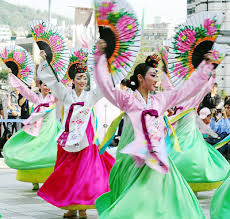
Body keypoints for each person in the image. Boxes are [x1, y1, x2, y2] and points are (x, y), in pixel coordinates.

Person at [93, 40, 216, 219]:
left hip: (156, 157)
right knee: (134, 199)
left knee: (163, 197)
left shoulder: (160, 100)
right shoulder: (128, 99)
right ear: (141, 78)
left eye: (157, 75)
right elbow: (106, 86)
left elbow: (186, 90)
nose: (157, 79)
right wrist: (101, 56)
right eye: (152, 75)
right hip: (133, 159)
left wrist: (206, 67)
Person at [37, 50, 115, 219]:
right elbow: (53, 81)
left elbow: (105, 87)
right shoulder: (66, 94)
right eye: (79, 78)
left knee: (85, 172)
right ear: (73, 79)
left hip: (87, 138)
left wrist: (106, 65)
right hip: (69, 137)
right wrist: (44, 60)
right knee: (68, 171)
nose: (82, 81)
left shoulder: (91, 96)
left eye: (84, 78)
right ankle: (71, 207)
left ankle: (82, 208)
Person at [3, 68, 60, 191]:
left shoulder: (53, 98)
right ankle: (34, 180)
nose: (47, 87)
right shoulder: (36, 98)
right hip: (38, 131)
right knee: (35, 153)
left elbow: (63, 88)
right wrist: (12, 75)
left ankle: (49, 180)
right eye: (45, 85)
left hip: (51, 131)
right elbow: (23, 90)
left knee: (51, 155)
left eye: (49, 85)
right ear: (40, 86)